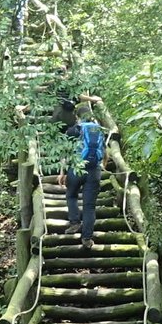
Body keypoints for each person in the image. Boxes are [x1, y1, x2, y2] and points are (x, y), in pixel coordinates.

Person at [57, 102, 108, 249]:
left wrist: (62, 172)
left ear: (77, 116)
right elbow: (104, 152)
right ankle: (87, 239)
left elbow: (65, 153)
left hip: (76, 168)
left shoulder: (73, 130)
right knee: (90, 206)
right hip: (94, 170)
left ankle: (74, 223)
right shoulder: (99, 130)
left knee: (71, 195)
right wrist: (102, 166)